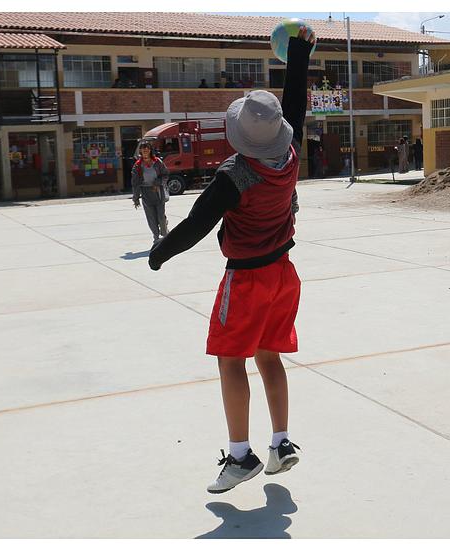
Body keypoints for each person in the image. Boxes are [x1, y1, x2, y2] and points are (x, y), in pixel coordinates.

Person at [148, 27, 315, 493]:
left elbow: (196, 225)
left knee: (229, 361)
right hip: (285, 274)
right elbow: (296, 103)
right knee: (270, 357)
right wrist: (299, 51)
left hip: (246, 280)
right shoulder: (290, 153)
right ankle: (282, 444)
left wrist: (158, 254)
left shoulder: (234, 174)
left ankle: (241, 455)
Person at [131, 142, 169, 244]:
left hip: (158, 192)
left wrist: (159, 182)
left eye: (147, 149)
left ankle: (165, 234)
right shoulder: (137, 166)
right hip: (146, 193)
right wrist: (135, 197)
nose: (145, 151)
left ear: (150, 150)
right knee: (151, 218)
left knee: (160, 216)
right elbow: (135, 183)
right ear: (140, 151)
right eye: (143, 150)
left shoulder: (158, 162)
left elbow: (165, 175)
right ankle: (156, 238)